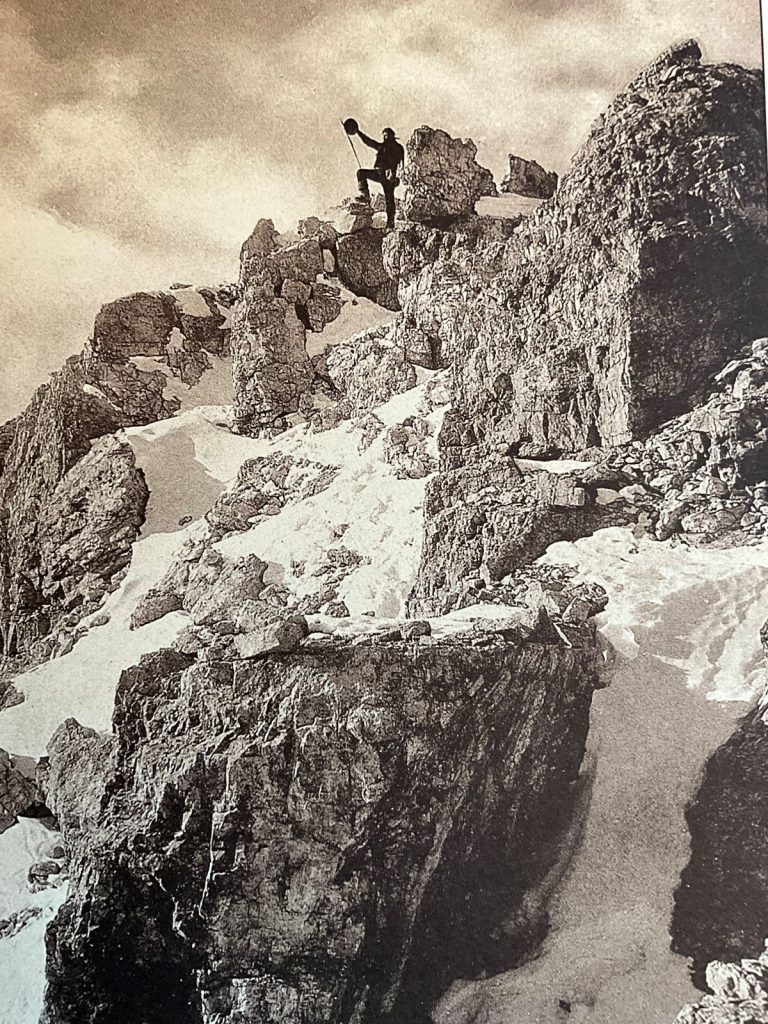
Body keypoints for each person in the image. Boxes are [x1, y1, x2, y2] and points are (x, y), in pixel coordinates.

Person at [354, 126, 404, 230]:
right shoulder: (383, 147)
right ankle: (365, 196)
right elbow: (369, 142)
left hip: (389, 177)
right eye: (384, 135)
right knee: (361, 173)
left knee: (389, 199)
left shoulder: (398, 148)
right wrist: (358, 132)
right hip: (379, 173)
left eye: (387, 135)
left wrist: (396, 176)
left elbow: (401, 165)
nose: (385, 137)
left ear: (392, 136)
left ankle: (390, 223)